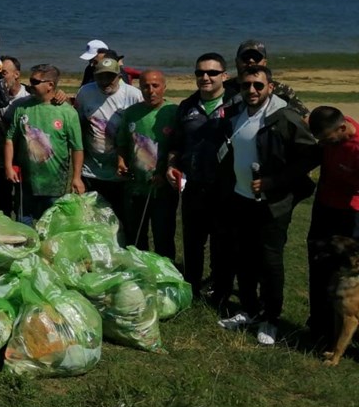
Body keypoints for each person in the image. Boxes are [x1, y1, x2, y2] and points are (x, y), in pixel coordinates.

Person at [215, 65, 319, 346]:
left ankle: (271, 319)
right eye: (247, 85)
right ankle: (249, 310)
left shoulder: (283, 117)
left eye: (258, 85)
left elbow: (312, 155)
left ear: (270, 87)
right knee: (244, 257)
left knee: (270, 262)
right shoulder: (238, 116)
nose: (252, 90)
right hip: (241, 198)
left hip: (272, 205)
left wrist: (274, 181)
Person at [166, 53, 233, 298]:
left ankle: (219, 287)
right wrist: (170, 165)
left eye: (212, 73)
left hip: (225, 187)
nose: (205, 77)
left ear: (224, 76)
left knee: (221, 242)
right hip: (193, 185)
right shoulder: (187, 106)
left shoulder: (236, 104)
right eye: (200, 72)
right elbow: (176, 144)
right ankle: (191, 286)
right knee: (193, 240)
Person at [3, 65, 84, 223]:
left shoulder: (67, 113)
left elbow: (77, 148)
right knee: (23, 225)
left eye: (35, 81)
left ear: (50, 85)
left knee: (50, 228)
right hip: (26, 182)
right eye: (30, 80)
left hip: (54, 184)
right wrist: (8, 166)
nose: (30, 84)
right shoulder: (22, 107)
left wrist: (76, 177)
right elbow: (10, 139)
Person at [306, 106, 359, 342]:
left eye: (328, 139)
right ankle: (319, 325)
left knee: (346, 275)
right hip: (324, 208)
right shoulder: (331, 130)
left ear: (342, 128)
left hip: (351, 214)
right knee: (319, 266)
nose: (325, 144)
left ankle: (348, 327)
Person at [115, 70, 178, 257]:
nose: (151, 91)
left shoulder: (173, 112)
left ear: (164, 87)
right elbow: (122, 144)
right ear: (140, 88)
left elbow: (180, 148)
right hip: (135, 187)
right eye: (145, 86)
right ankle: (140, 273)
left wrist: (167, 172)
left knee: (163, 236)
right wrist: (120, 161)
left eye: (155, 86)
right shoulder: (131, 113)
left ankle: (166, 274)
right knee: (136, 235)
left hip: (163, 189)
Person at [75, 56, 142, 225]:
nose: (105, 81)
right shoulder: (85, 92)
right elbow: (79, 126)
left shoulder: (133, 95)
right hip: (91, 171)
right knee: (95, 222)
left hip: (122, 174)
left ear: (119, 76)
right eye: (100, 76)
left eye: (110, 77)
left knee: (124, 223)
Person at [0, 56, 31, 215]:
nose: (1, 77)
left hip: (23, 155)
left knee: (23, 201)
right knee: (2, 201)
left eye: (4, 73)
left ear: (17, 74)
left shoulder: (28, 96)